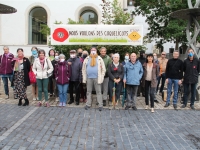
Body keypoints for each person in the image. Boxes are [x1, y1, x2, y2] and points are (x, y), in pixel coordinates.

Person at [82, 47, 106, 111]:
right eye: (92, 50)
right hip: (89, 78)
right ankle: (88, 104)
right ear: (90, 51)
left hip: (97, 78)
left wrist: (102, 77)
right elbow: (83, 69)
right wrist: (84, 77)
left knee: (98, 92)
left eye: (94, 50)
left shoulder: (99, 59)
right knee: (88, 92)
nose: (93, 51)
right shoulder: (87, 59)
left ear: (96, 51)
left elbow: (103, 69)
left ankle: (100, 105)